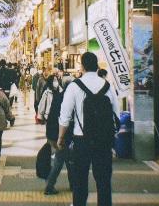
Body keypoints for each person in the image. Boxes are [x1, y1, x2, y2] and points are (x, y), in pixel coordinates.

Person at [57, 52, 119, 206]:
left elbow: (64, 116)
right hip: (103, 141)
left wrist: (60, 137)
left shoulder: (74, 86)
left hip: (81, 141)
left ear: (82, 66)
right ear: (97, 65)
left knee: (80, 182)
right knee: (104, 182)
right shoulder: (107, 86)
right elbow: (116, 115)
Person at [37, 74, 73, 195]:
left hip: (53, 133)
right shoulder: (69, 98)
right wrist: (61, 136)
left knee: (68, 159)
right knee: (60, 160)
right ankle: (49, 186)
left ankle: (73, 184)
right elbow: (66, 119)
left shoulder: (58, 96)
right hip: (63, 135)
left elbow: (52, 116)